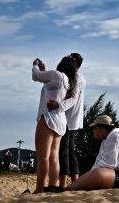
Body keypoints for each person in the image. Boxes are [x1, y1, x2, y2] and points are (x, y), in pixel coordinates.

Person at [32, 55, 78, 193]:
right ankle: (52, 187)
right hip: (60, 121)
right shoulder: (69, 82)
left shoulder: (55, 75)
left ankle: (39, 189)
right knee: (54, 157)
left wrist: (35, 65)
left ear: (61, 64)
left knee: (43, 157)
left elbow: (35, 76)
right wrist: (59, 106)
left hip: (47, 118)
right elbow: (51, 88)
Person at [71, 115, 119, 190]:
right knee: (95, 173)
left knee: (98, 174)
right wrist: (86, 177)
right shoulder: (106, 140)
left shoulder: (115, 137)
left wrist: (88, 177)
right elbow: (98, 162)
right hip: (118, 173)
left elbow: (109, 164)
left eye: (95, 128)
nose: (93, 131)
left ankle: (72, 188)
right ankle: (72, 187)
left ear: (103, 129)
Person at [56, 52, 86, 187]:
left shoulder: (75, 78)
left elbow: (72, 99)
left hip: (68, 118)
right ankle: (75, 182)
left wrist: (58, 106)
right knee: (70, 151)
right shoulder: (81, 78)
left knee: (64, 151)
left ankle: (62, 183)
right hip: (74, 119)